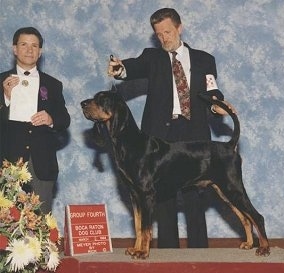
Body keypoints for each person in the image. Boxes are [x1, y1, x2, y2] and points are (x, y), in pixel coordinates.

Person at [107, 8, 235, 248]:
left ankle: (199, 254)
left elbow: (212, 91)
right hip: (159, 139)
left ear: (179, 27)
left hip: (194, 136)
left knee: (195, 200)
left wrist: (218, 107)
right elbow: (131, 67)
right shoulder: (151, 57)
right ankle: (167, 256)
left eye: (167, 31)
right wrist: (119, 68)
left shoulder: (204, 59)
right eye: (158, 34)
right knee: (162, 201)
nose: (164, 38)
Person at [0, 27, 70, 214]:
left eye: (34, 46)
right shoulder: (1, 81)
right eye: (24, 44)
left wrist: (51, 119)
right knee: (7, 222)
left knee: (42, 222)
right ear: (14, 49)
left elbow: (65, 119)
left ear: (40, 52)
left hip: (42, 163)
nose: (29, 50)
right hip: (8, 162)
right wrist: (5, 98)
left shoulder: (53, 84)